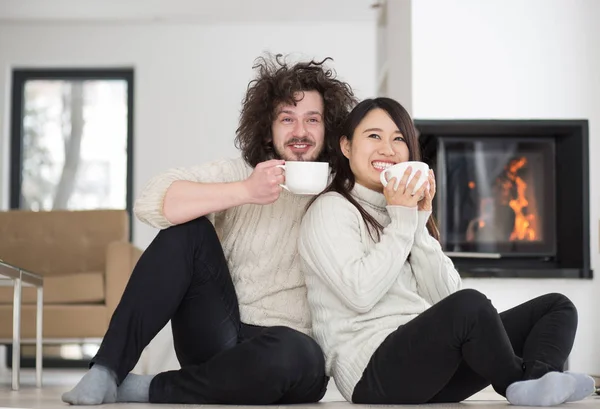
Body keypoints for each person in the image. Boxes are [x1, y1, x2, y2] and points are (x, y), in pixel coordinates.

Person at [62, 54, 357, 405]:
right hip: (217, 334)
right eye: (287, 119)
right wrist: (246, 191)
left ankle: (148, 389)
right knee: (185, 231)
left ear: (329, 130)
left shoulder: (344, 192)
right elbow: (152, 201)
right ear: (268, 127)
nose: (300, 132)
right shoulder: (243, 173)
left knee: (298, 351)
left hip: (289, 354)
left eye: (313, 119)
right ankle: (107, 370)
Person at [298, 97, 595, 406]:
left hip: (433, 369)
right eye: (374, 136)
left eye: (399, 138)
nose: (388, 148)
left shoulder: (403, 213)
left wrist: (418, 224)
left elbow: (446, 299)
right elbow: (360, 295)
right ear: (346, 146)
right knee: (471, 304)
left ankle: (535, 382)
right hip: (373, 374)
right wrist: (402, 221)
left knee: (556, 307)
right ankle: (517, 384)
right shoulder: (329, 210)